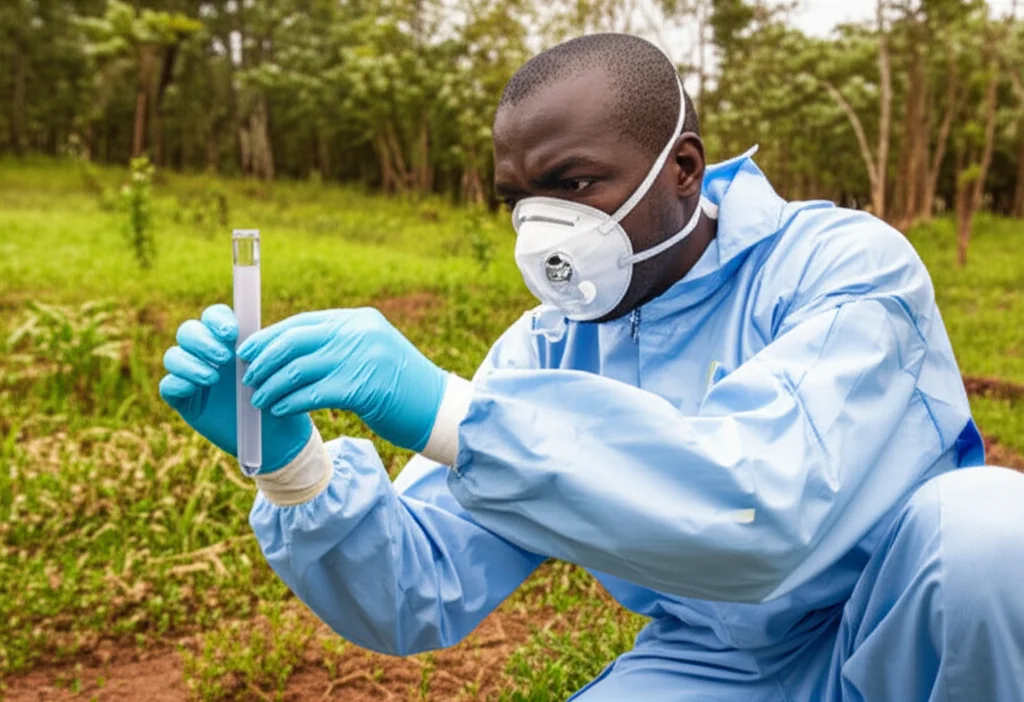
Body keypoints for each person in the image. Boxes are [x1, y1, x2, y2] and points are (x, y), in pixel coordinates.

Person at [159, 33, 1024, 701]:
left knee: (990, 530)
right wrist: (292, 467)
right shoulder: (544, 348)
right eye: (519, 200)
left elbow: (764, 519)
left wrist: (450, 414)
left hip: (906, 629)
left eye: (574, 185)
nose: (542, 231)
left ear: (682, 169)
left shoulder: (844, 267)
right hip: (715, 664)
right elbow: (417, 585)